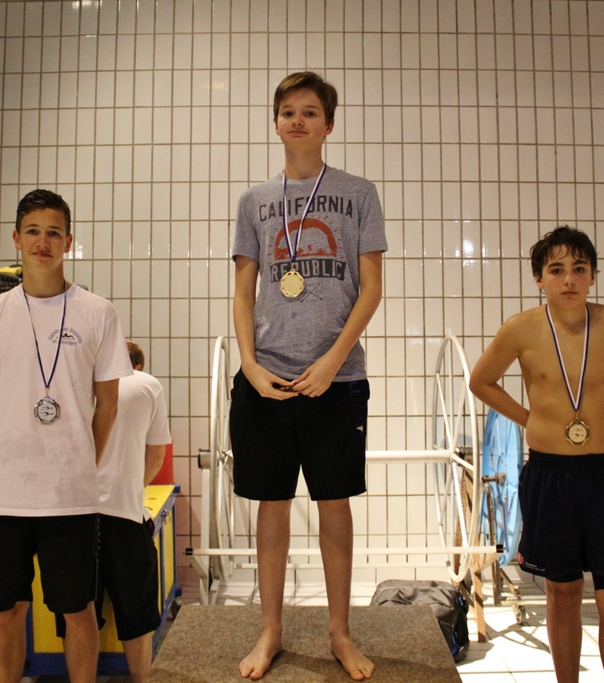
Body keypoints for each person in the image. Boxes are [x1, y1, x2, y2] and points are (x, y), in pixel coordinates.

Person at [230, 71, 386, 681]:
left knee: (333, 503)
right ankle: (270, 631)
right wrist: (249, 363)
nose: (298, 120)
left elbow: (371, 289)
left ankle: (339, 632)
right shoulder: (254, 202)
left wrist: (332, 361)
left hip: (336, 378)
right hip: (266, 378)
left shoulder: (359, 193)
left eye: (310, 112)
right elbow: (243, 291)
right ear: (275, 123)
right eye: (288, 111)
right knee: (271, 504)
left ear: (329, 124)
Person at [0, 189, 133, 683]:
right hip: (3, 494)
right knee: (7, 611)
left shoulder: (97, 312)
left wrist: (80, 461)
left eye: (53, 233)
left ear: (68, 242)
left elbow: (108, 404)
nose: (43, 242)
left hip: (70, 496)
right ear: (16, 239)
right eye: (33, 231)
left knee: (77, 610)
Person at [469, 226, 604, 683]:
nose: (568, 279)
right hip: (551, 477)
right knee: (563, 594)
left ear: (592, 277)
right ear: (539, 279)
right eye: (556, 270)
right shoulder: (521, 328)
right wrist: (530, 419)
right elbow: (481, 381)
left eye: (579, 269)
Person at [55, 341, 172, 683]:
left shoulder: (71, 383)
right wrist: (131, 487)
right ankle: (140, 678)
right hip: (123, 515)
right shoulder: (147, 385)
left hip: (72, 514)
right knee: (136, 609)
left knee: (75, 611)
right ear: (137, 366)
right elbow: (156, 456)